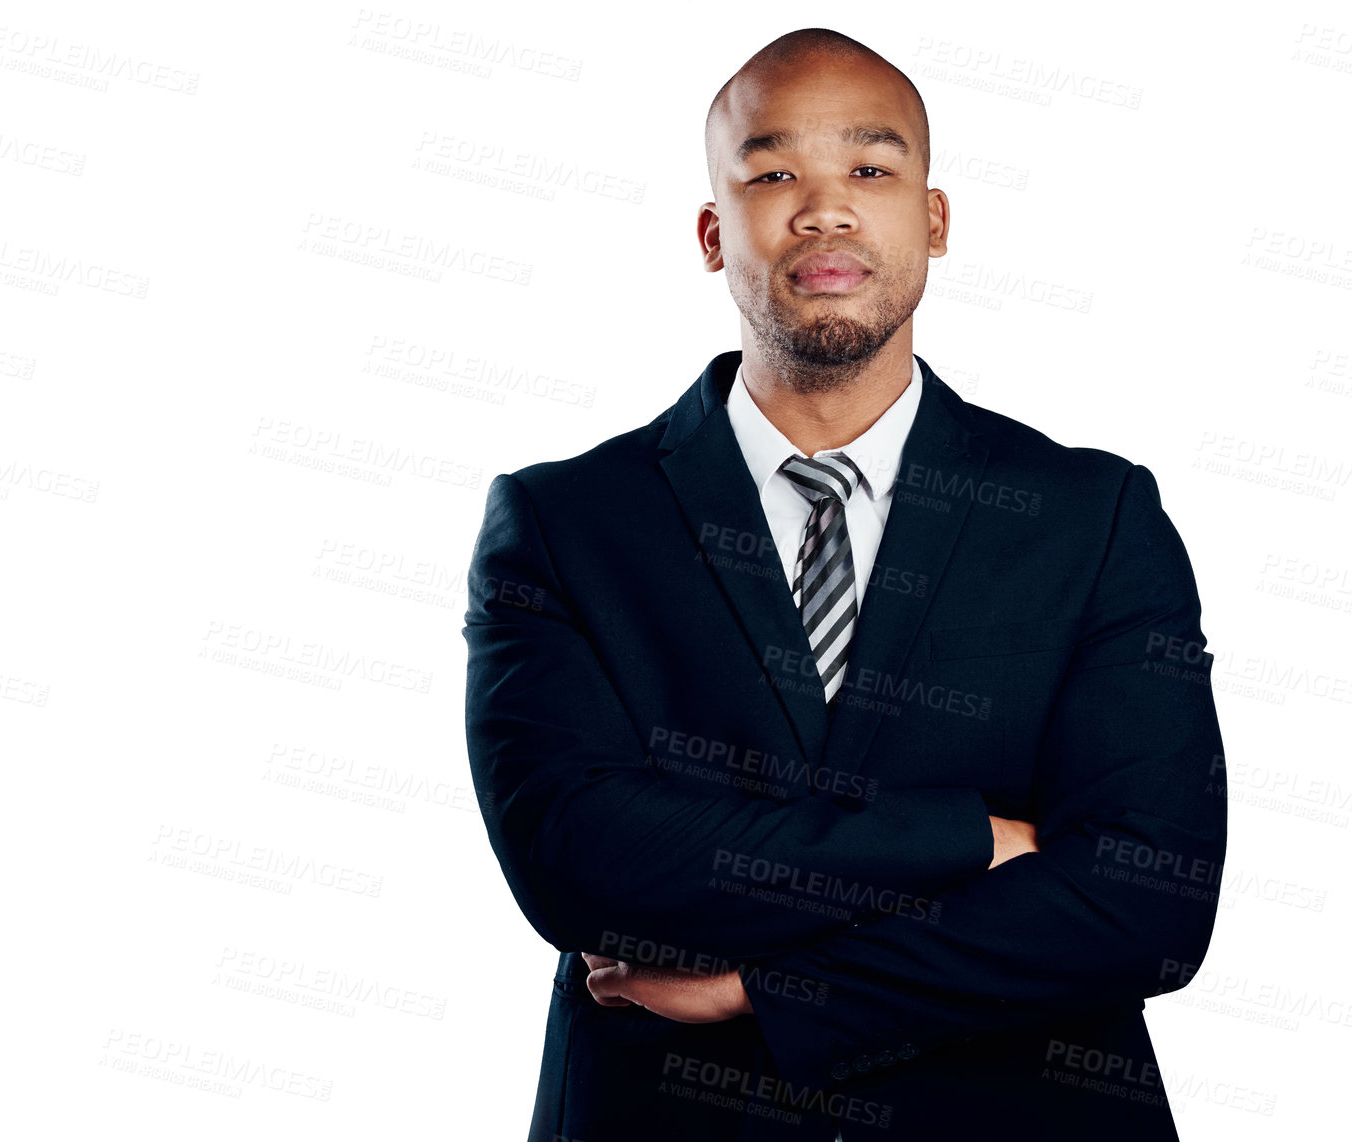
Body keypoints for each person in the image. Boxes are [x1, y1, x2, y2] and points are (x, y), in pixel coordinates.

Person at [462, 27, 1226, 1141]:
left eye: (870, 169)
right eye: (773, 174)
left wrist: (765, 991)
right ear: (714, 233)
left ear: (934, 218)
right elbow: (577, 862)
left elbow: (1145, 903)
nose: (824, 209)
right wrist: (968, 838)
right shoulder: (565, 521)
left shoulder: (1090, 515)